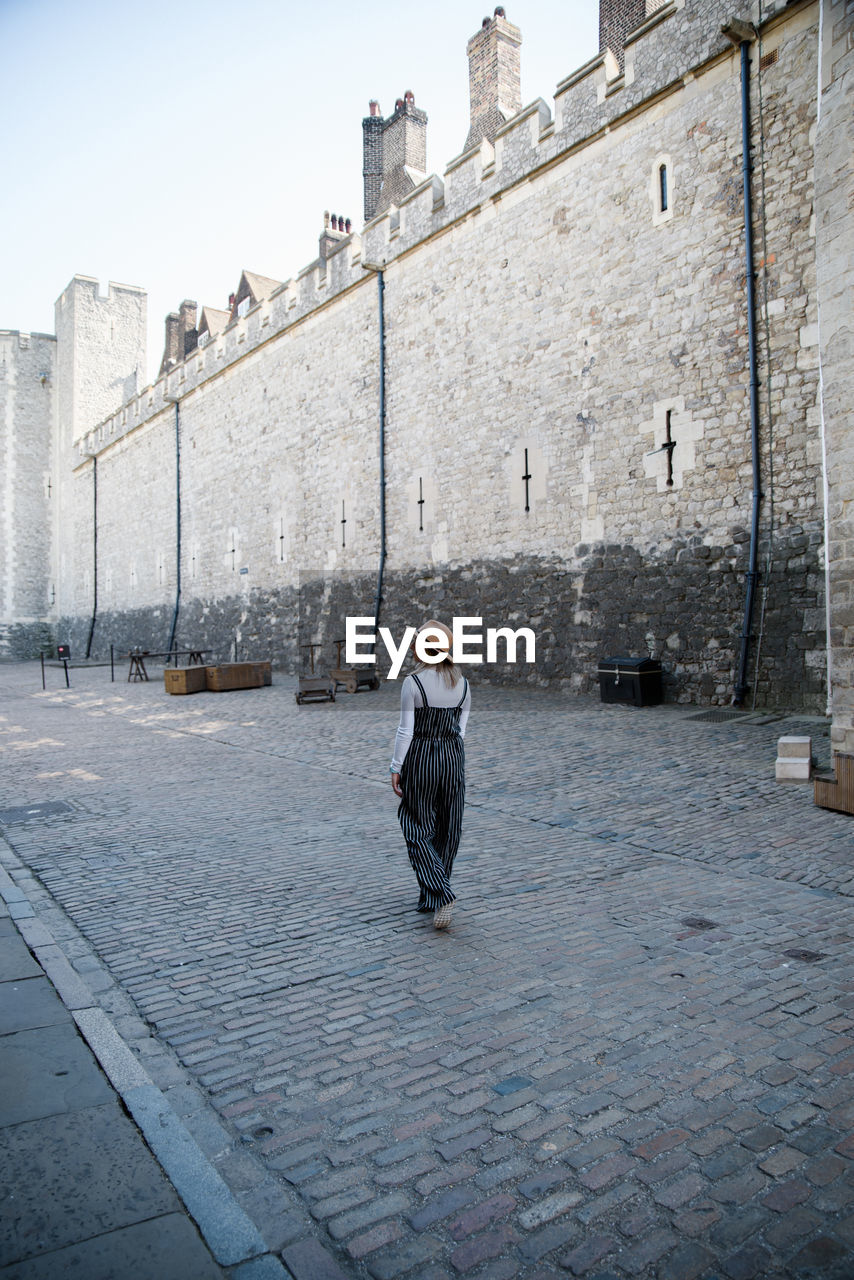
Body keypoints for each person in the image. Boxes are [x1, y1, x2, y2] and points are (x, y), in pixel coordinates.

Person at [390, 620, 471, 929]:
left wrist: (396, 767)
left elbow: (405, 730)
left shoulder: (414, 683)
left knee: (415, 824)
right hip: (453, 755)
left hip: (422, 756)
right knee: (448, 827)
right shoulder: (463, 683)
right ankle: (431, 896)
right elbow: (461, 730)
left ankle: (440, 892)